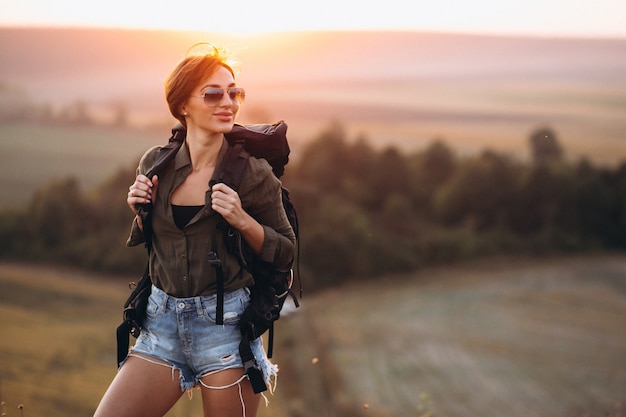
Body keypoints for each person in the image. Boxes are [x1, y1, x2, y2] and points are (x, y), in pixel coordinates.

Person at [94, 43, 296, 417]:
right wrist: (139, 210)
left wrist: (242, 219)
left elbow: (286, 250)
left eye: (235, 93)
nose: (229, 103)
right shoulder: (156, 163)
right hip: (160, 325)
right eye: (214, 93)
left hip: (227, 333)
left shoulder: (252, 173)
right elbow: (158, 241)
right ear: (183, 104)